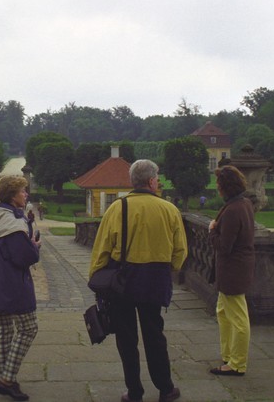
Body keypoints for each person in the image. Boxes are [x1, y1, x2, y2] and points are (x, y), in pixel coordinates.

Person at [89, 159, 188, 402]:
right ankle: (165, 388)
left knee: (126, 338)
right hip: (155, 278)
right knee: (154, 334)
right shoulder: (169, 209)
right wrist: (170, 268)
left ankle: (134, 391)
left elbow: (102, 248)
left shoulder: (117, 208)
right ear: (152, 181)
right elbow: (180, 251)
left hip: (122, 279)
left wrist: (96, 277)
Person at [0, 175, 41, 401]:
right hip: (12, 284)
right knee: (29, 328)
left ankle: (5, 379)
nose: (26, 194)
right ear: (13, 196)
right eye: (22, 191)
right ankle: (7, 379)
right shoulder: (12, 224)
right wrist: (34, 247)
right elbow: (25, 257)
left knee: (3, 330)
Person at [208, 165, 255, 377]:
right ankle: (228, 355)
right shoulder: (244, 203)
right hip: (237, 268)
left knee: (238, 319)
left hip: (232, 271)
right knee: (223, 312)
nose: (217, 186)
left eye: (218, 183)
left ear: (224, 186)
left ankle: (237, 364)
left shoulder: (234, 210)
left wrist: (212, 230)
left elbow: (224, 246)